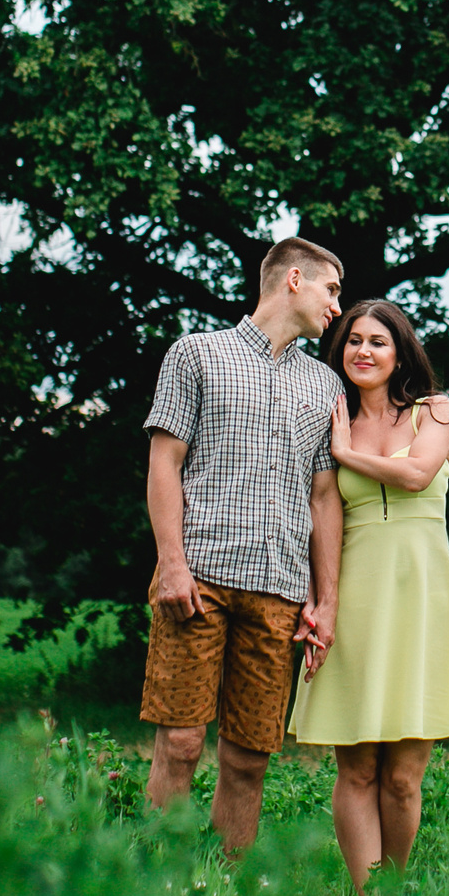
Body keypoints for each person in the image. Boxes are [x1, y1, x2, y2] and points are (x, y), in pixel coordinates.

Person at [140, 237, 346, 855]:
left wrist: (325, 600)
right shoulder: (197, 354)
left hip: (279, 591)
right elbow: (163, 464)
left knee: (250, 759)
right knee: (180, 744)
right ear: (292, 279)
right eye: (331, 290)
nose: (338, 306)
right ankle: (154, 887)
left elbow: (325, 499)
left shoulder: (325, 385)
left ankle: (224, 892)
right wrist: (171, 564)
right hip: (197, 579)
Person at [288, 298, 449, 889]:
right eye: (352, 340)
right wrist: (324, 602)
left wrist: (347, 454)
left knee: (403, 776)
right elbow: (325, 512)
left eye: (376, 341)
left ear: (400, 352)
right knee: (357, 766)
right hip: (359, 592)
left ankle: (393, 892)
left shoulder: (436, 411)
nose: (362, 352)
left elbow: (419, 473)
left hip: (423, 596)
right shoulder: (329, 415)